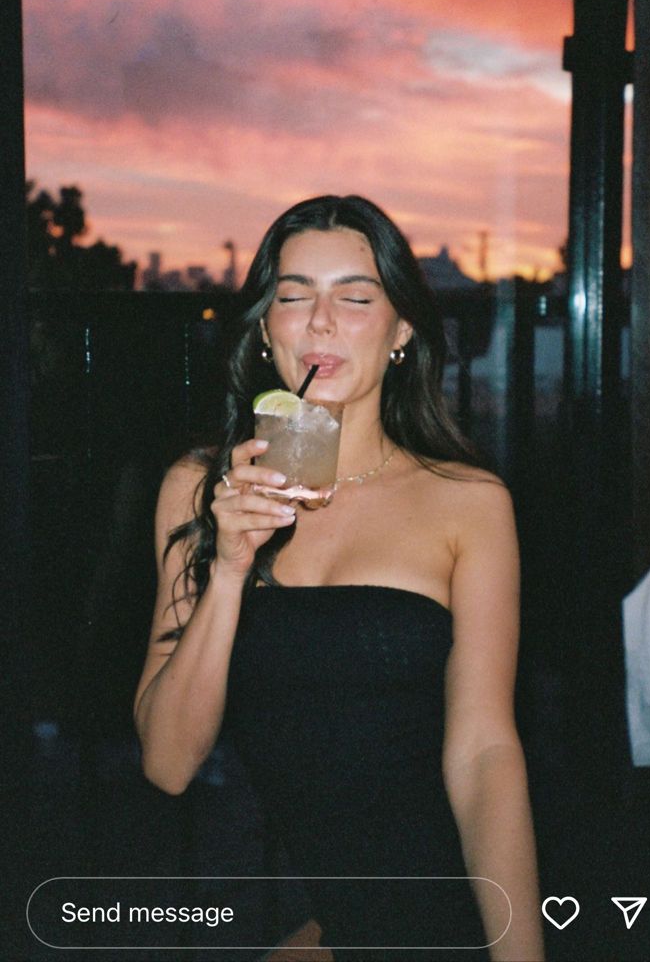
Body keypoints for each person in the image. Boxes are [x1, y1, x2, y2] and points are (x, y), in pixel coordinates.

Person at [134, 194, 545, 960]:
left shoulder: (467, 502)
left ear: (401, 331)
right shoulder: (198, 490)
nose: (320, 321)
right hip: (278, 906)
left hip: (433, 908)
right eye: (293, 296)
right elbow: (167, 763)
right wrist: (228, 569)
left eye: (355, 297)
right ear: (265, 329)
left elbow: (485, 752)